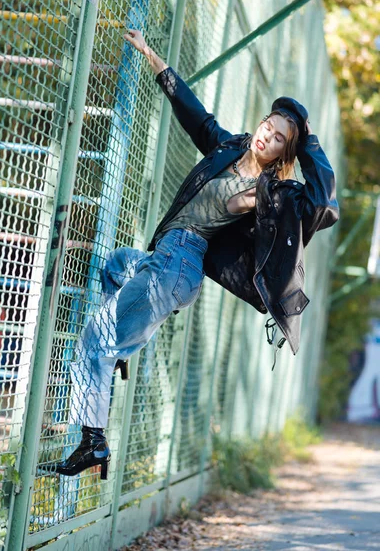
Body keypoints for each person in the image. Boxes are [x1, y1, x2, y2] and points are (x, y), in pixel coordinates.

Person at [55, 29, 339, 479]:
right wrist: (155, 60)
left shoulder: (271, 193)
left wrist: (311, 143)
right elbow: (197, 119)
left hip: (179, 265)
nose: (268, 135)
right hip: (164, 260)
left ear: (287, 150)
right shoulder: (227, 149)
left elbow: (323, 202)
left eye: (281, 138)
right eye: (270, 124)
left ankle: (94, 441)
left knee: (94, 339)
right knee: (115, 266)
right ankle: (122, 350)